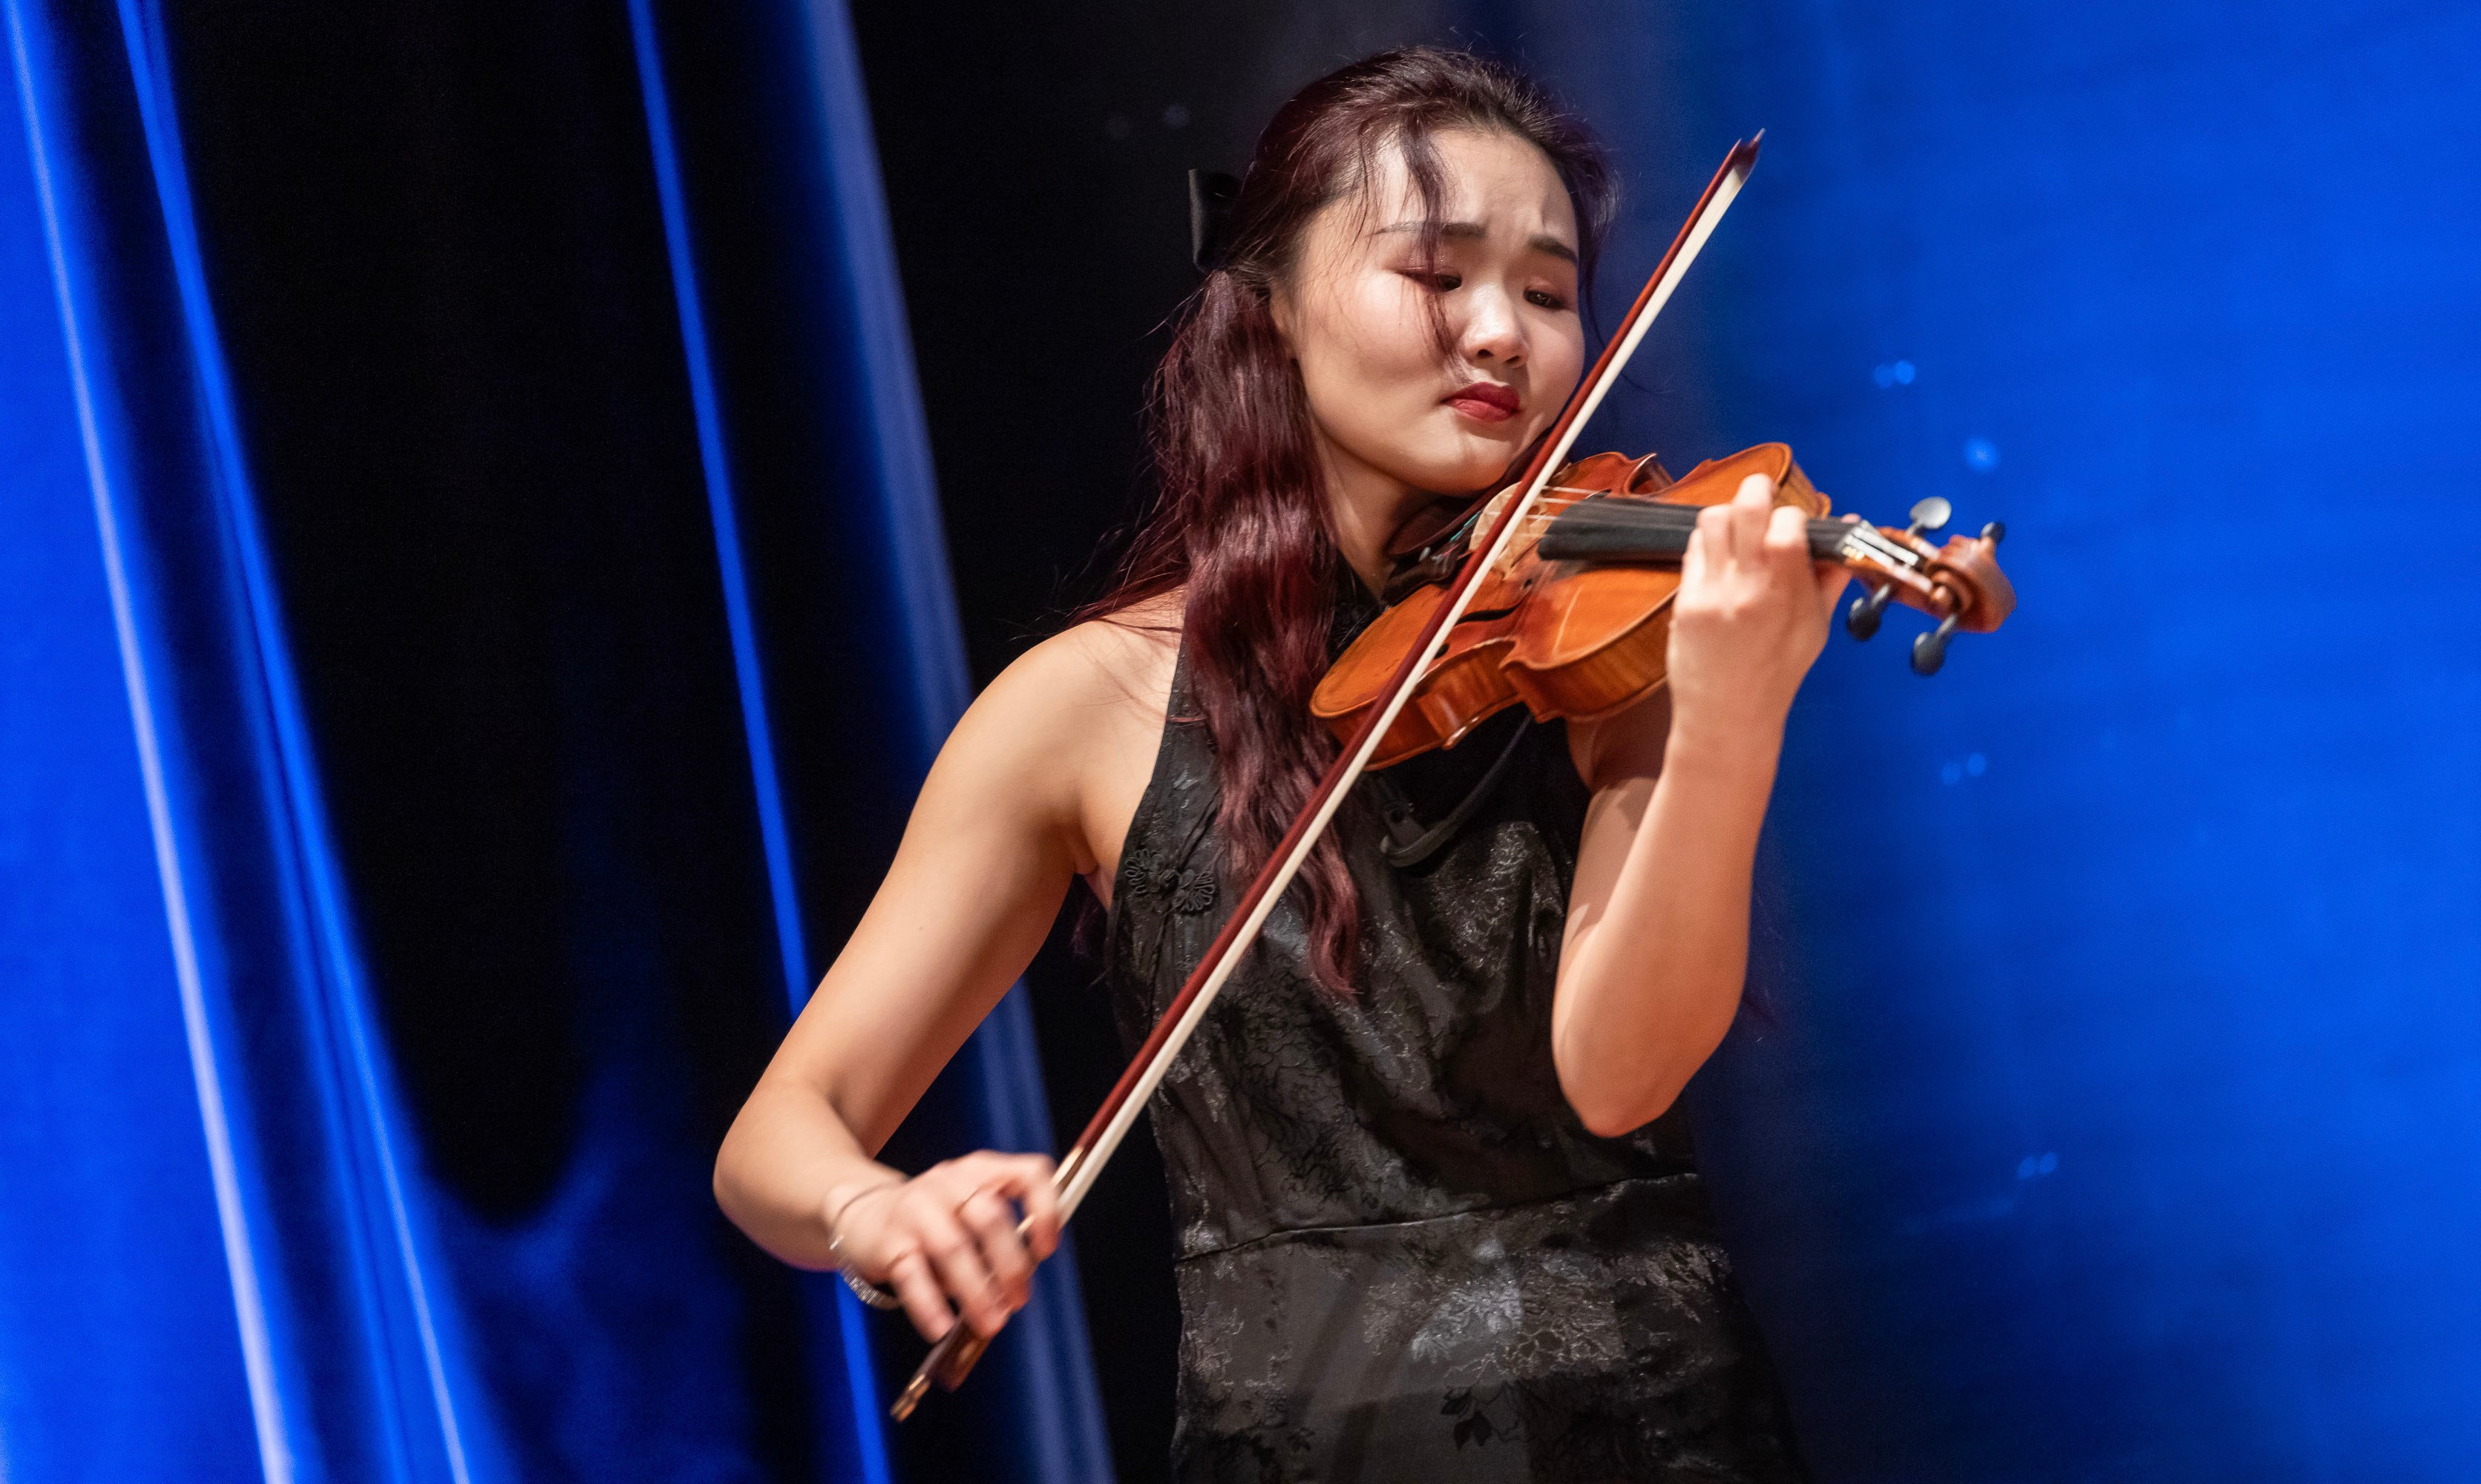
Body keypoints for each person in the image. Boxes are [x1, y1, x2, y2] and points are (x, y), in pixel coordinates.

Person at [715, 45, 1842, 1481]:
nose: (1504, 333)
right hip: (1297, 1446)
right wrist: (876, 1215)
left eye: (1551, 293)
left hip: (1652, 1429)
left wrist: (1731, 721)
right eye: (1439, 276)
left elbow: (1619, 1077)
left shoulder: (1606, 651)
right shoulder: (1087, 704)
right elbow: (778, 1137)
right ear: (1271, 312)